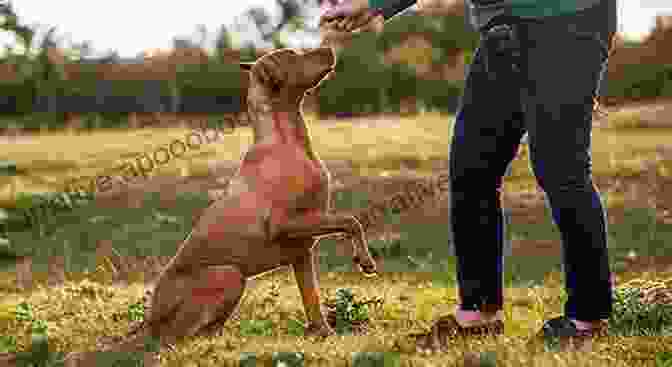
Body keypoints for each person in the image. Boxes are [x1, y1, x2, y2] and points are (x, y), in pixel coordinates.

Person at [320, 0, 617, 349]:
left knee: (560, 167)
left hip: (567, 20)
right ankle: (478, 313)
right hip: (503, 28)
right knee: (472, 168)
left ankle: (587, 318)